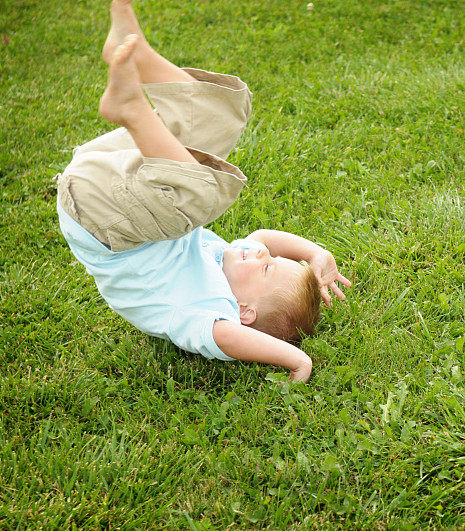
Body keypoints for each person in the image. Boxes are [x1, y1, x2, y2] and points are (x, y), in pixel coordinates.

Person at [56, 0, 350, 382]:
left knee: (203, 195)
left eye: (267, 266)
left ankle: (132, 107)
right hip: (118, 179)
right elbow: (263, 237)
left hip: (102, 217)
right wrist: (315, 253)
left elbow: (230, 338)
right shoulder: (225, 259)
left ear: (245, 311)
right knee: (221, 119)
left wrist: (296, 359)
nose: (262, 250)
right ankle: (137, 54)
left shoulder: (208, 312)